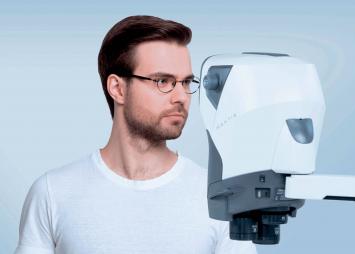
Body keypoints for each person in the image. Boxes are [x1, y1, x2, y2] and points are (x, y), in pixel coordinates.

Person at [14, 15, 257, 254]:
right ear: (118, 89)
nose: (181, 97)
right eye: (163, 81)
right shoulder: (53, 193)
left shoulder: (219, 198)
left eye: (186, 82)